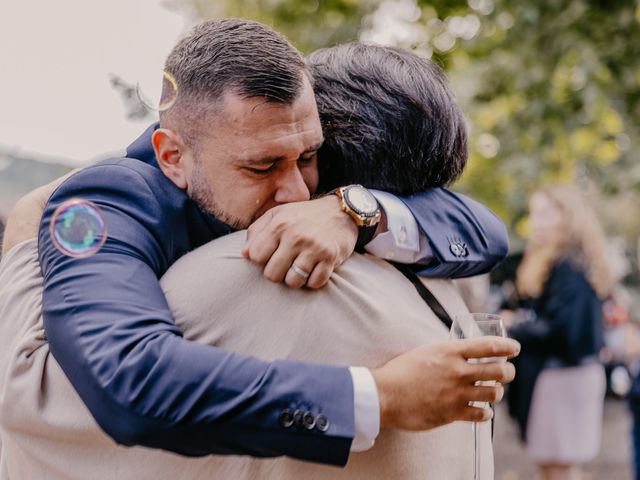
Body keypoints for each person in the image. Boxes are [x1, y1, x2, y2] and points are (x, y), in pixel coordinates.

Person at [0, 42, 517, 479]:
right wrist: (376, 396)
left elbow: (483, 230)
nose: (294, 192)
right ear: (173, 157)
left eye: (308, 159)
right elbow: (125, 377)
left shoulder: (310, 168)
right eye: (262, 166)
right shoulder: (113, 200)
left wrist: (355, 211)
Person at [506, 185, 614, 480]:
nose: (537, 221)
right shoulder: (565, 262)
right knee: (553, 465)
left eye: (545, 213)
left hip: (567, 377)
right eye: (535, 213)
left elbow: (562, 331)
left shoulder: (571, 266)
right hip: (562, 376)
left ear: (567, 217)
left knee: (559, 467)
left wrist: (513, 327)